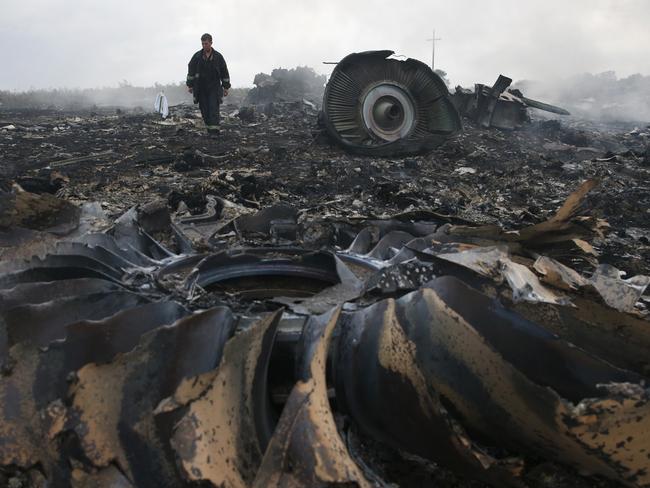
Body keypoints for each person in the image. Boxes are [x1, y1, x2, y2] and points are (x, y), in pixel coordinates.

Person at [186, 33, 231, 134]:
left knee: (213, 108)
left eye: (206, 43)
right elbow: (191, 71)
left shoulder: (218, 57)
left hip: (214, 87)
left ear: (211, 43)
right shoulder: (197, 57)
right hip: (201, 87)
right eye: (202, 44)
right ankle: (209, 128)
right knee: (204, 109)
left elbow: (224, 72)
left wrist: (226, 87)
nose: (204, 46)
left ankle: (214, 132)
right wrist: (190, 85)